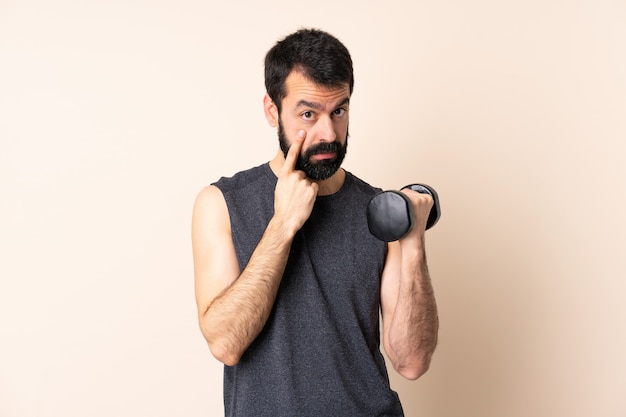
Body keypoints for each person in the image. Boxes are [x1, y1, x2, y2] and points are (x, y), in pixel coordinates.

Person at [192, 28, 439, 417]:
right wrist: (283, 224)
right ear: (272, 111)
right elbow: (226, 344)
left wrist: (412, 241)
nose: (328, 134)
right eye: (308, 114)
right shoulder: (222, 203)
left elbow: (411, 361)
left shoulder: (378, 209)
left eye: (338, 111)